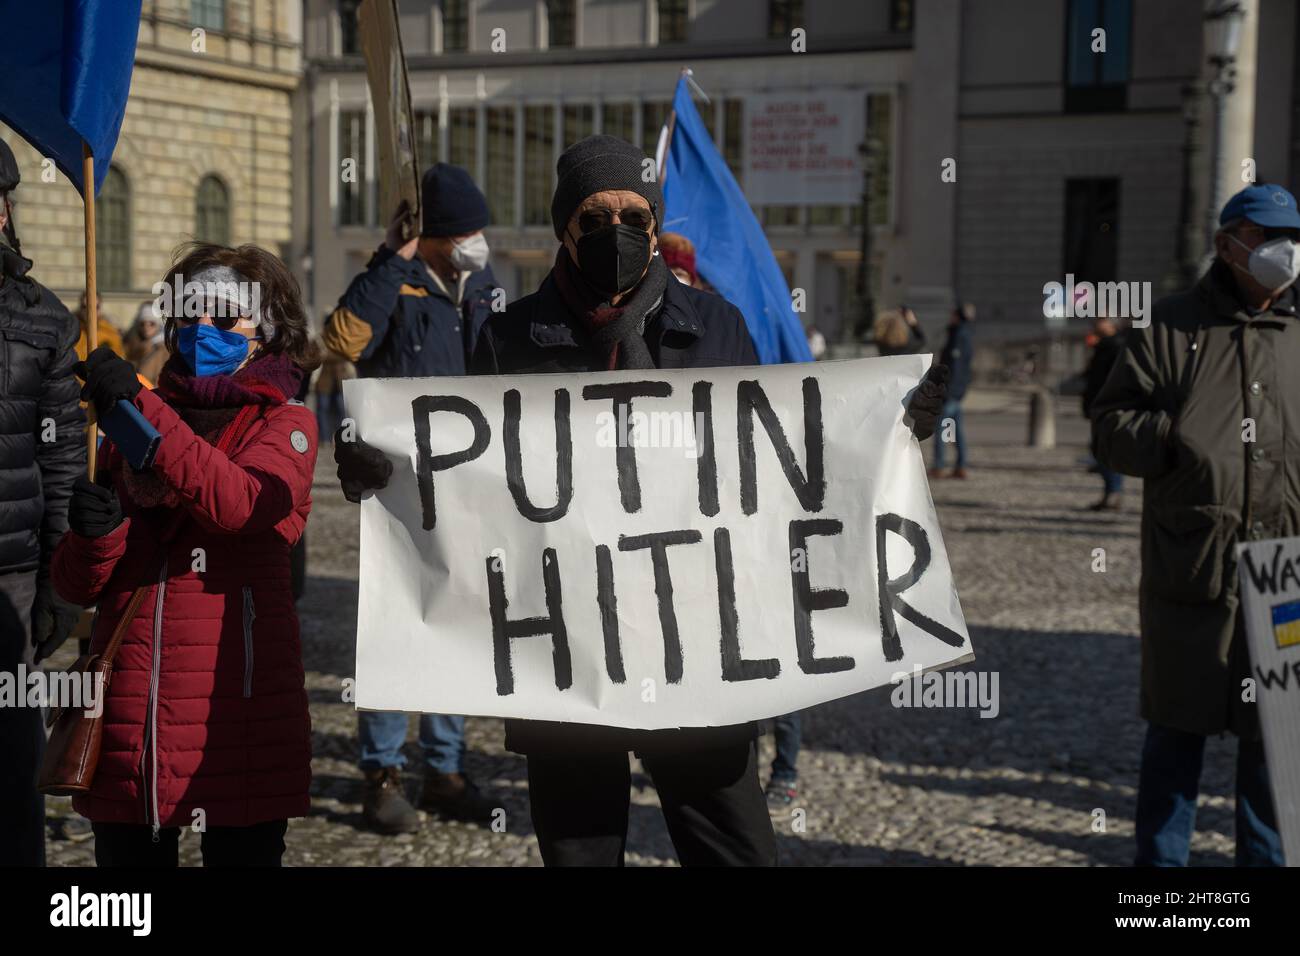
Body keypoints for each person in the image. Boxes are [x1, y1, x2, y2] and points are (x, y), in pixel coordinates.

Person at [335, 134, 949, 866]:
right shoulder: (506, 338)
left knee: (736, 852)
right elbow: (469, 484)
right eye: (595, 218)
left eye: (635, 216)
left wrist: (887, 427)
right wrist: (385, 469)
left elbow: (782, 460)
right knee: (581, 858)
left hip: (699, 646)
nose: (617, 233)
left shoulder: (719, 328)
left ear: (656, 225)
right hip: (562, 658)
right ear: (564, 225)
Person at [50, 242, 321, 867]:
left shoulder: (289, 424)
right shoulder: (126, 425)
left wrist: (142, 407)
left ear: (266, 329)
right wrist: (96, 536)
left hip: (237, 715)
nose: (206, 329)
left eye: (227, 317)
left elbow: (239, 503)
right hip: (129, 718)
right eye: (191, 314)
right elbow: (76, 584)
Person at [1091, 182, 1300, 868]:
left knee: (1275, 744)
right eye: (1268, 237)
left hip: (1283, 573)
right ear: (1227, 243)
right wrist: (1177, 437)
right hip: (1194, 568)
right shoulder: (1171, 326)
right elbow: (1111, 428)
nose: (1284, 252)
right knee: (1175, 738)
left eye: (1292, 237)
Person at [323, 162, 499, 832]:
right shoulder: (393, 283)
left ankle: (445, 769)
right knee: (397, 630)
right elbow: (341, 342)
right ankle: (383, 771)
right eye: (462, 233)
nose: (474, 243)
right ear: (429, 236)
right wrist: (388, 260)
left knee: (453, 626)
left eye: (478, 231)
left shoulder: (483, 285)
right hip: (395, 493)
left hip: (465, 487)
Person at [0, 137, 85, 867]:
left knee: (9, 767)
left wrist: (64, 573)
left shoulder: (46, 321)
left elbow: (62, 460)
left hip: (13, 580)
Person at [1081, 316, 1126, 511]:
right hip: (1100, 405)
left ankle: (1113, 493)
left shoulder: (1116, 346)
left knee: (1107, 451)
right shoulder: (1104, 346)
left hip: (1109, 406)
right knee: (1101, 450)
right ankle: (1111, 492)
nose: (1094, 323)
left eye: (1100, 320)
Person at [930, 303, 975, 479]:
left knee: (943, 428)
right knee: (955, 430)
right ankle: (961, 465)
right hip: (957, 390)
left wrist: (946, 389)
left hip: (951, 390)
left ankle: (940, 465)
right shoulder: (963, 333)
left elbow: (955, 367)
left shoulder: (959, 335)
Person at [123, 301, 169, 386]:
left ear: (159, 325)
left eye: (151, 324)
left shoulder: (165, 349)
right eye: (142, 324)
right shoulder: (131, 345)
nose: (146, 327)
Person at [73, 291, 124, 361]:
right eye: (85, 307)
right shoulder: (70, 332)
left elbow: (118, 361)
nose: (89, 311)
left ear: (100, 308)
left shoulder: (111, 333)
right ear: (80, 308)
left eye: (95, 307)